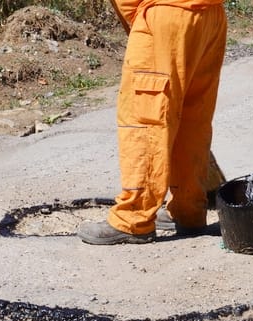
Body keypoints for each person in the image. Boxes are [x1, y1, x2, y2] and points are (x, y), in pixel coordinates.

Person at [76, 0, 227, 245]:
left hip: (164, 15)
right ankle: (189, 212)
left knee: (146, 120)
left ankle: (134, 218)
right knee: (193, 119)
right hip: (210, 15)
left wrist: (144, 25)